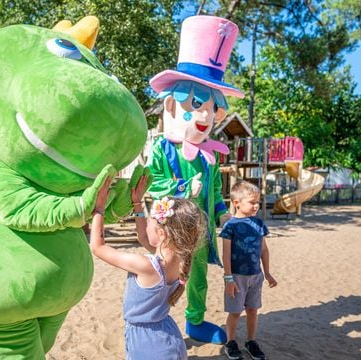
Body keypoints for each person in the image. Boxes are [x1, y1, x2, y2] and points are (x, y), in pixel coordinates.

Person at [147, 14, 244, 344]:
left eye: (210, 108)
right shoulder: (162, 148)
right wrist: (183, 188)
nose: (204, 116)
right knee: (164, 272)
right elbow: (153, 183)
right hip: (170, 226)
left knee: (198, 276)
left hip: (201, 230)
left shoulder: (211, 155)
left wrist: (221, 212)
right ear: (172, 104)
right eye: (195, 106)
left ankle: (195, 321)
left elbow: (215, 189)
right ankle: (154, 321)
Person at [89, 175, 205, 360]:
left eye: (150, 221)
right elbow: (143, 237)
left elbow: (97, 247)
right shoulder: (179, 258)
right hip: (167, 337)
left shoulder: (147, 266)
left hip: (148, 344)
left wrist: (99, 208)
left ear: (161, 233)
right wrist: (137, 204)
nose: (146, 226)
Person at [219, 181, 278, 360]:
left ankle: (251, 341)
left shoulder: (259, 224)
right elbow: (226, 254)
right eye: (252, 202)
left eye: (257, 202)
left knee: (253, 310)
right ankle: (230, 342)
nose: (256, 205)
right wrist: (228, 279)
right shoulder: (230, 226)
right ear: (236, 203)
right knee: (235, 312)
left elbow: (264, 250)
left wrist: (267, 273)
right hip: (236, 277)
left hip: (256, 276)